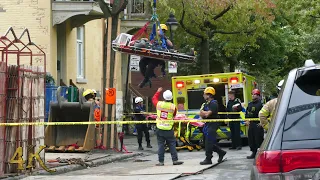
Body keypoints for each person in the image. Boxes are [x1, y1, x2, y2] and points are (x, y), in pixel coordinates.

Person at [152, 87, 183, 166]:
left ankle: (161, 162)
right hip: (169, 129)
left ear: (164, 97)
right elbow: (174, 115)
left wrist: (158, 91)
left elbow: (154, 99)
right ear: (171, 98)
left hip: (159, 128)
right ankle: (175, 160)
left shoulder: (159, 104)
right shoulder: (173, 106)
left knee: (161, 145)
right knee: (172, 144)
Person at [138, 24, 173, 88]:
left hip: (158, 56)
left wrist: (164, 37)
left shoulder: (164, 39)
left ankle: (145, 81)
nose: (162, 32)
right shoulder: (153, 36)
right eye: (161, 30)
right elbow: (150, 40)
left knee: (150, 66)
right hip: (150, 54)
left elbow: (171, 45)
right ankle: (147, 79)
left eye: (163, 31)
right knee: (141, 63)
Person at [200, 87, 226, 165]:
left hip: (213, 123)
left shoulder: (214, 103)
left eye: (204, 94)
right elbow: (201, 113)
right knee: (206, 142)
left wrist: (205, 113)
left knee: (209, 141)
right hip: (207, 124)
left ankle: (208, 159)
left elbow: (208, 114)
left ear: (209, 95)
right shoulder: (206, 104)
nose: (203, 95)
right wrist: (204, 113)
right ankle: (221, 152)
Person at [245, 89, 264, 159]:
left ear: (258, 96)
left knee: (258, 139)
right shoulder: (250, 104)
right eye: (252, 94)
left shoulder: (261, 104)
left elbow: (265, 114)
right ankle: (253, 152)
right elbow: (247, 113)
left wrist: (262, 122)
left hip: (258, 124)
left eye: (255, 94)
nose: (253, 95)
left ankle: (261, 153)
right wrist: (247, 120)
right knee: (251, 139)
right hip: (251, 124)